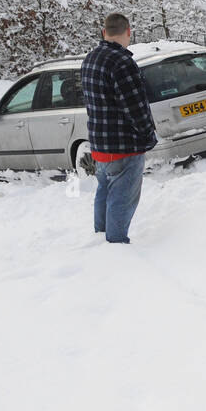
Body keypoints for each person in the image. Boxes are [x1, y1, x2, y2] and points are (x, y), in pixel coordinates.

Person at [80, 13, 157, 243]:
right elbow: (136, 107)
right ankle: (116, 248)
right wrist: (147, 134)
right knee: (121, 199)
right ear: (128, 32)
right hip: (124, 147)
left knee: (104, 192)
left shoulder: (90, 59)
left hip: (100, 146)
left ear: (104, 32)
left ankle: (100, 239)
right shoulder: (122, 63)